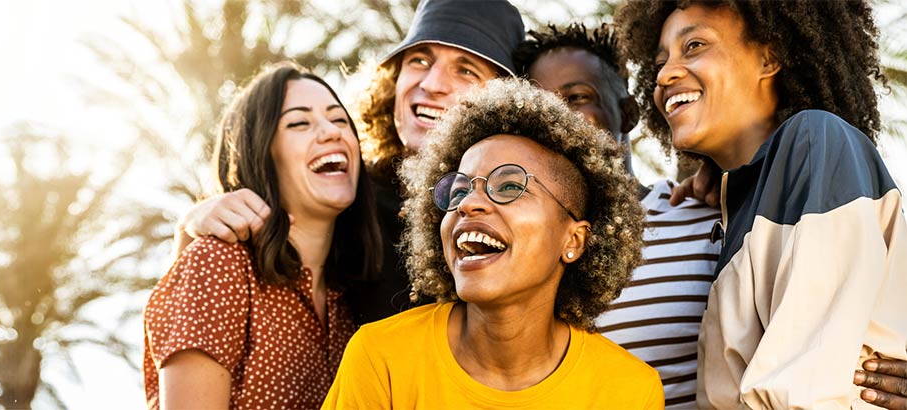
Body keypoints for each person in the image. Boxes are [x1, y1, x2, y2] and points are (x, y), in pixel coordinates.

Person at [617, 1, 907, 408]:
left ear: (770, 57)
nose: (665, 75)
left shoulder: (814, 143)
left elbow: (804, 394)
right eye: (661, 61)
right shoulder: (742, 202)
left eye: (695, 45)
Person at [174, 0, 526, 325]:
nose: (432, 83)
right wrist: (190, 230)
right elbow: (212, 306)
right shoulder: (346, 194)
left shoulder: (523, 214)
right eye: (419, 60)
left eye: (465, 71)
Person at [323, 78, 661, 408]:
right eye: (458, 191)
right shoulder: (380, 358)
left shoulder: (628, 392)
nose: (469, 204)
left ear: (573, 240)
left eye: (510, 187)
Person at [142, 62, 381, 409]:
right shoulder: (219, 264)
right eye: (299, 122)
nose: (332, 132)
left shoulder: (348, 299)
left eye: (340, 119)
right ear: (260, 152)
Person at [515, 23, 721, 408]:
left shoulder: (706, 216)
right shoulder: (524, 255)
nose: (558, 118)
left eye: (577, 97)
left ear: (627, 113)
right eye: (541, 108)